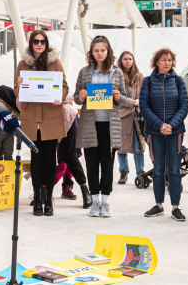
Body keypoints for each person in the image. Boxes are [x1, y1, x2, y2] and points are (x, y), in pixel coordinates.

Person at [75, 35, 130, 218]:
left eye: (103, 50)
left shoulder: (117, 72)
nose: (99, 53)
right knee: (91, 165)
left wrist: (116, 97)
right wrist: (81, 96)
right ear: (91, 52)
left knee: (107, 164)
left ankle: (105, 202)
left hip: (109, 125)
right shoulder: (84, 72)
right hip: (90, 124)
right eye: (96, 50)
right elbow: (76, 97)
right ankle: (94, 201)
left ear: (108, 52)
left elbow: (123, 98)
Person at [15, 30, 69, 216]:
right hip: (32, 119)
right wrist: (20, 85)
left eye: (43, 41)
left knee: (50, 160)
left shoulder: (54, 63)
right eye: (36, 41)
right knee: (36, 159)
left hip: (51, 117)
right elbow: (16, 91)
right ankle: (37, 197)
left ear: (46, 44)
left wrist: (59, 97)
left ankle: (49, 199)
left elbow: (64, 86)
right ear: (31, 44)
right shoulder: (22, 64)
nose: (39, 45)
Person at [140, 48, 188, 221]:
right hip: (155, 133)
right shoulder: (147, 82)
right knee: (159, 170)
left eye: (169, 60)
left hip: (175, 132)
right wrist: (160, 125)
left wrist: (171, 125)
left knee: (175, 170)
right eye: (163, 60)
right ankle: (158, 205)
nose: (167, 63)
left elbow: (184, 106)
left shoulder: (178, 81)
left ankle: (176, 207)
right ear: (156, 62)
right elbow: (144, 107)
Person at [116, 51, 146, 187]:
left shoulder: (140, 77)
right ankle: (123, 171)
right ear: (121, 61)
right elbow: (115, 97)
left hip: (137, 116)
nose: (128, 61)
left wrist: (141, 100)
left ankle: (141, 172)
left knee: (138, 146)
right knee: (121, 147)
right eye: (125, 59)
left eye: (130, 59)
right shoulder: (116, 76)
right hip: (122, 115)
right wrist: (132, 102)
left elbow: (146, 92)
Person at [56, 100, 90, 206]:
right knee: (44, 157)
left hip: (66, 114)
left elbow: (67, 92)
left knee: (70, 156)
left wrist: (63, 98)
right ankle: (42, 193)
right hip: (43, 114)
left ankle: (84, 190)